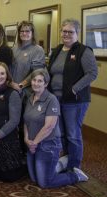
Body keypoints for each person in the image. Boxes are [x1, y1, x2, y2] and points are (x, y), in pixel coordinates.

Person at [24, 68, 89, 188]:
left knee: (44, 182)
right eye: (34, 80)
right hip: (32, 144)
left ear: (46, 84)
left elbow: (49, 126)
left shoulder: (51, 100)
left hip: (48, 144)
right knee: (34, 179)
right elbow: (26, 121)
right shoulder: (30, 98)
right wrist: (26, 139)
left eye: (40, 81)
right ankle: (59, 164)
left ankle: (75, 175)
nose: (36, 83)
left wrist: (34, 143)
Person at [48, 18, 98, 170]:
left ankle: (74, 166)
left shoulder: (84, 51)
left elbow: (92, 73)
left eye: (70, 32)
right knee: (61, 133)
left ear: (77, 33)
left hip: (75, 101)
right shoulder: (56, 50)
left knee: (73, 134)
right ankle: (66, 161)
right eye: (64, 31)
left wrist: (74, 89)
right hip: (56, 99)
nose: (66, 34)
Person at [11, 21, 45, 93]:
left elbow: (36, 72)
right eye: (22, 31)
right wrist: (11, 84)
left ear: (32, 33)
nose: (24, 33)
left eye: (27, 31)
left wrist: (21, 85)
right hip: (12, 88)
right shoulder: (14, 48)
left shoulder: (38, 50)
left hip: (27, 91)